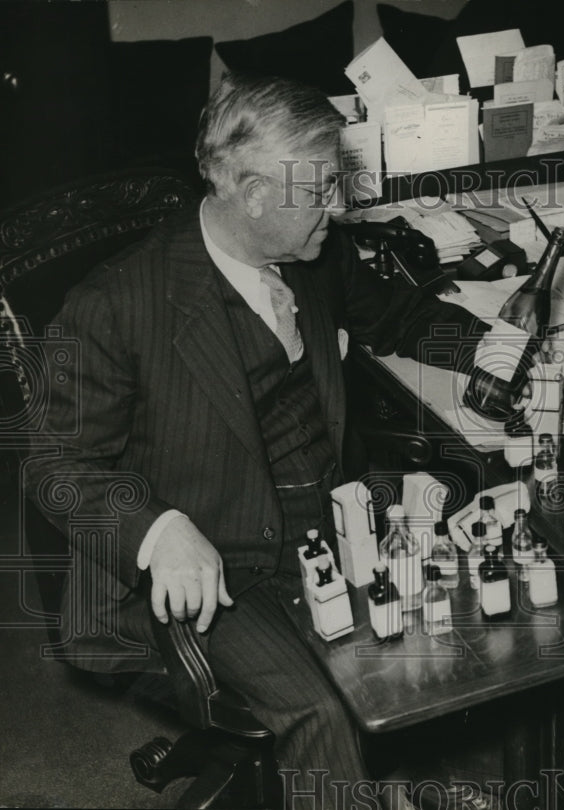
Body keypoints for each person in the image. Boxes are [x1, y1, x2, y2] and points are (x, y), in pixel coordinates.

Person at [25, 73, 486, 798]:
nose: (337, 209)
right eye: (321, 190)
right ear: (253, 194)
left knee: (485, 601)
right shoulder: (116, 307)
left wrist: (505, 354)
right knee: (325, 713)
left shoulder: (314, 252)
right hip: (223, 558)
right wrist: (157, 531)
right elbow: (55, 463)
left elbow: (401, 318)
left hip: (337, 510)